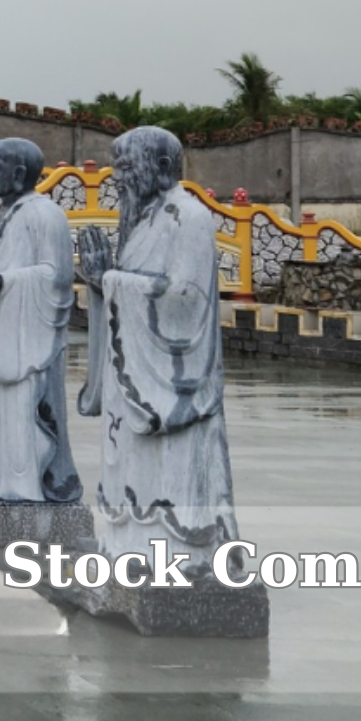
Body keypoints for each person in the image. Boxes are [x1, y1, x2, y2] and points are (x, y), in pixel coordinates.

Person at [76, 126, 241, 572]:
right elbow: (130, 292)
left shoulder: (187, 216)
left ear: (163, 167)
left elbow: (185, 300)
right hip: (134, 382)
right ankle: (129, 544)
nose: (117, 177)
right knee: (133, 469)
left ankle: (180, 554)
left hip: (172, 380)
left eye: (127, 167)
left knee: (173, 473)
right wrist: (104, 281)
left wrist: (108, 281)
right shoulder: (143, 219)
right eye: (116, 167)